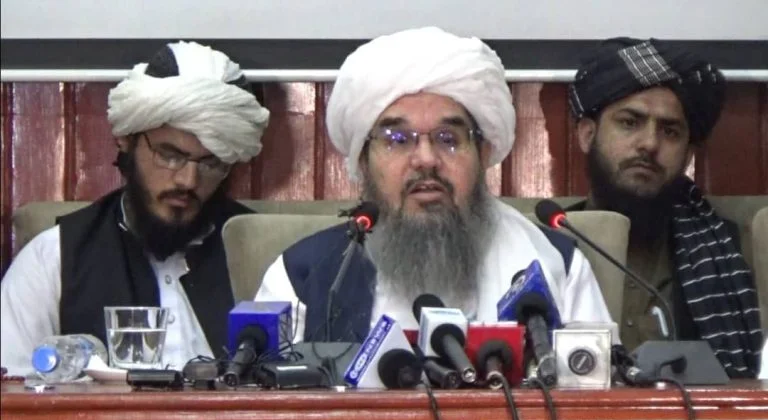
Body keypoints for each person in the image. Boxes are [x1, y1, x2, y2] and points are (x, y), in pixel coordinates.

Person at [256, 27, 614, 344]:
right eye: (397, 139)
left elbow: (601, 390)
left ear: (483, 153)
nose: (426, 159)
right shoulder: (303, 276)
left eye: (448, 138)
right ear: (363, 160)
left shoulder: (556, 265)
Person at [0, 41, 270, 375]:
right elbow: (11, 389)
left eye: (211, 163)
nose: (188, 180)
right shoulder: (53, 258)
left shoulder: (265, 256)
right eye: (169, 155)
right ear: (127, 140)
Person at [567, 37, 762, 377]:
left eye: (670, 131)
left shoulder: (728, 255)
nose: (649, 144)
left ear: (687, 155)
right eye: (630, 122)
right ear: (587, 135)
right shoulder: (548, 244)